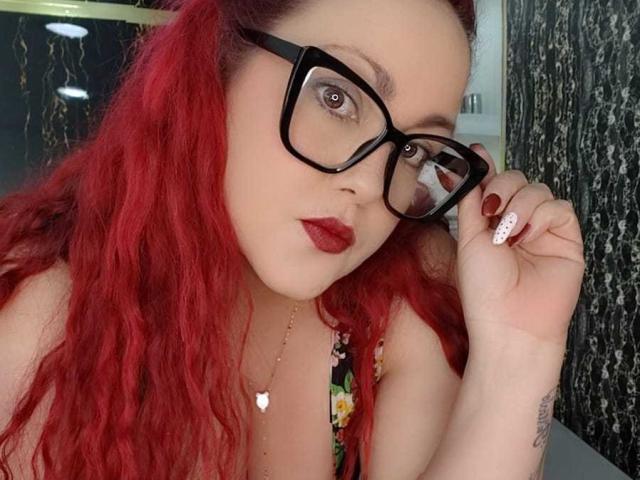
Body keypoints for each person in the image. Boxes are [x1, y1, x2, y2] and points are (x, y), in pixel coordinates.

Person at [0, 0, 586, 479]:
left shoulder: (401, 297)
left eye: (413, 150)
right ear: (215, 64)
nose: (366, 184)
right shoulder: (45, 315)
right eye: (337, 98)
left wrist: (522, 351)